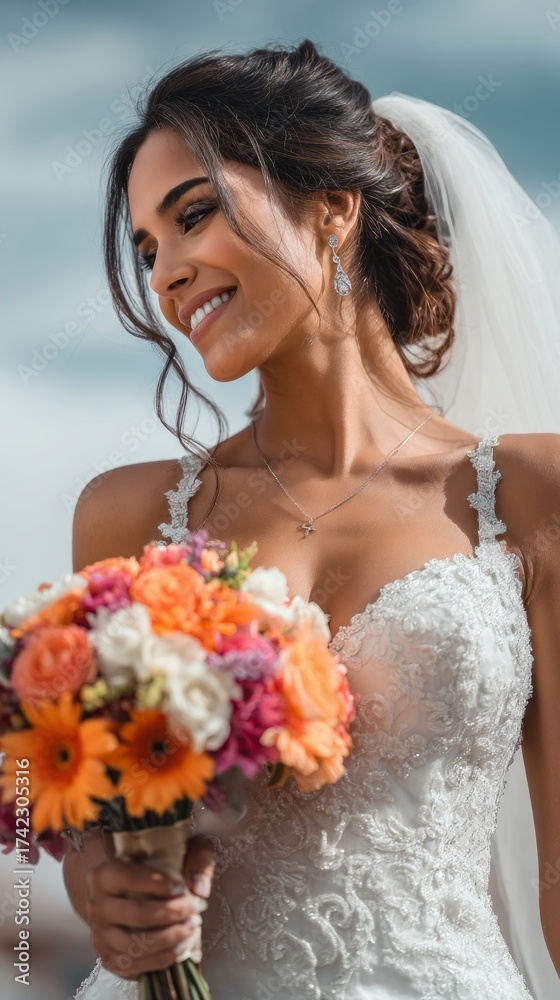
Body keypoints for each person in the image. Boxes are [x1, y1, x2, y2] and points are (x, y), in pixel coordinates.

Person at [64, 39, 560, 1000]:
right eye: (147, 250)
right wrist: (100, 889)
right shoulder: (129, 514)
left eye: (193, 215)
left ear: (333, 207)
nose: (166, 275)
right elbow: (67, 805)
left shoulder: (530, 494)